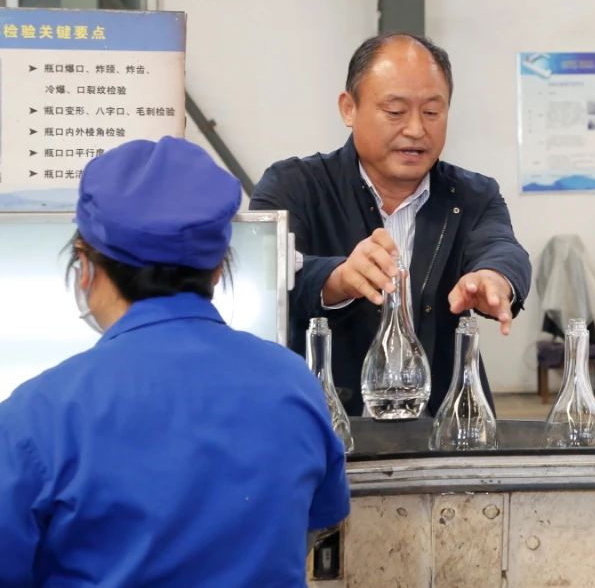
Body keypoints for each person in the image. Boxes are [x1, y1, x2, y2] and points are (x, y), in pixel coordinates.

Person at [0, 137, 349, 585]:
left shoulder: (38, 416)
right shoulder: (294, 384)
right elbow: (320, 517)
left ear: (85, 267)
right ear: (219, 268)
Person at [251, 33, 531, 416]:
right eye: (395, 111)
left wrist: (496, 277)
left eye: (432, 112)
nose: (416, 129)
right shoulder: (294, 186)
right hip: (320, 423)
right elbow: (265, 276)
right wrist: (337, 279)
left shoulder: (472, 195)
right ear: (349, 108)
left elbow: (502, 246)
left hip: (442, 426)